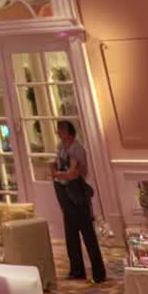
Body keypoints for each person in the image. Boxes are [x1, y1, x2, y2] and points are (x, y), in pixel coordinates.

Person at [53, 119, 106, 283]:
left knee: (88, 234)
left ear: (69, 132)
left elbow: (73, 174)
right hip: (64, 193)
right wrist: (61, 174)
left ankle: (98, 273)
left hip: (77, 194)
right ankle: (77, 271)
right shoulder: (60, 148)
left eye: (61, 130)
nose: (58, 133)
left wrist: (59, 174)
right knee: (70, 235)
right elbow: (55, 169)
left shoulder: (78, 149)